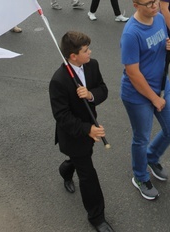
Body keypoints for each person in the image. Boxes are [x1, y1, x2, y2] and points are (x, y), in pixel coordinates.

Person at [120, 0, 170, 200]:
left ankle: (152, 157)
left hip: (163, 84)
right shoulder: (131, 34)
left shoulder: (158, 19)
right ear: (136, 5)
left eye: (156, 0)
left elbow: (163, 43)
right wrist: (154, 98)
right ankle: (139, 176)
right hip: (138, 95)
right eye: (148, 3)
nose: (155, 6)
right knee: (141, 137)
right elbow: (133, 73)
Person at [49, 31, 115, 232]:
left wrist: (90, 95)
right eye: (85, 50)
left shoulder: (92, 65)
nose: (90, 52)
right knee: (88, 174)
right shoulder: (58, 80)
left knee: (81, 159)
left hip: (90, 127)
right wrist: (87, 130)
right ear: (73, 56)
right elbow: (62, 116)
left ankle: (66, 169)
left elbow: (103, 89)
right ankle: (97, 217)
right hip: (73, 134)